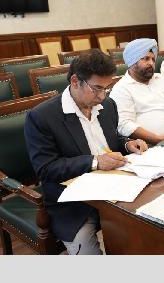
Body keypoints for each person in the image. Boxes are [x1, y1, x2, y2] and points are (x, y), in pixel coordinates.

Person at [24, 49, 148, 255]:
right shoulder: (42, 117)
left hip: (116, 187)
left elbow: (110, 139)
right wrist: (95, 162)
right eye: (97, 88)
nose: (102, 96)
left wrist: (128, 144)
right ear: (75, 81)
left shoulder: (108, 105)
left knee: (147, 234)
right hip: (74, 202)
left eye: (106, 88)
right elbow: (46, 169)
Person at [109, 38, 164, 145]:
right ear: (132, 61)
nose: (151, 63)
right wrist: (157, 139)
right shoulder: (121, 88)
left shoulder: (161, 79)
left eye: (153, 59)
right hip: (150, 145)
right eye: (146, 59)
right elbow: (124, 125)